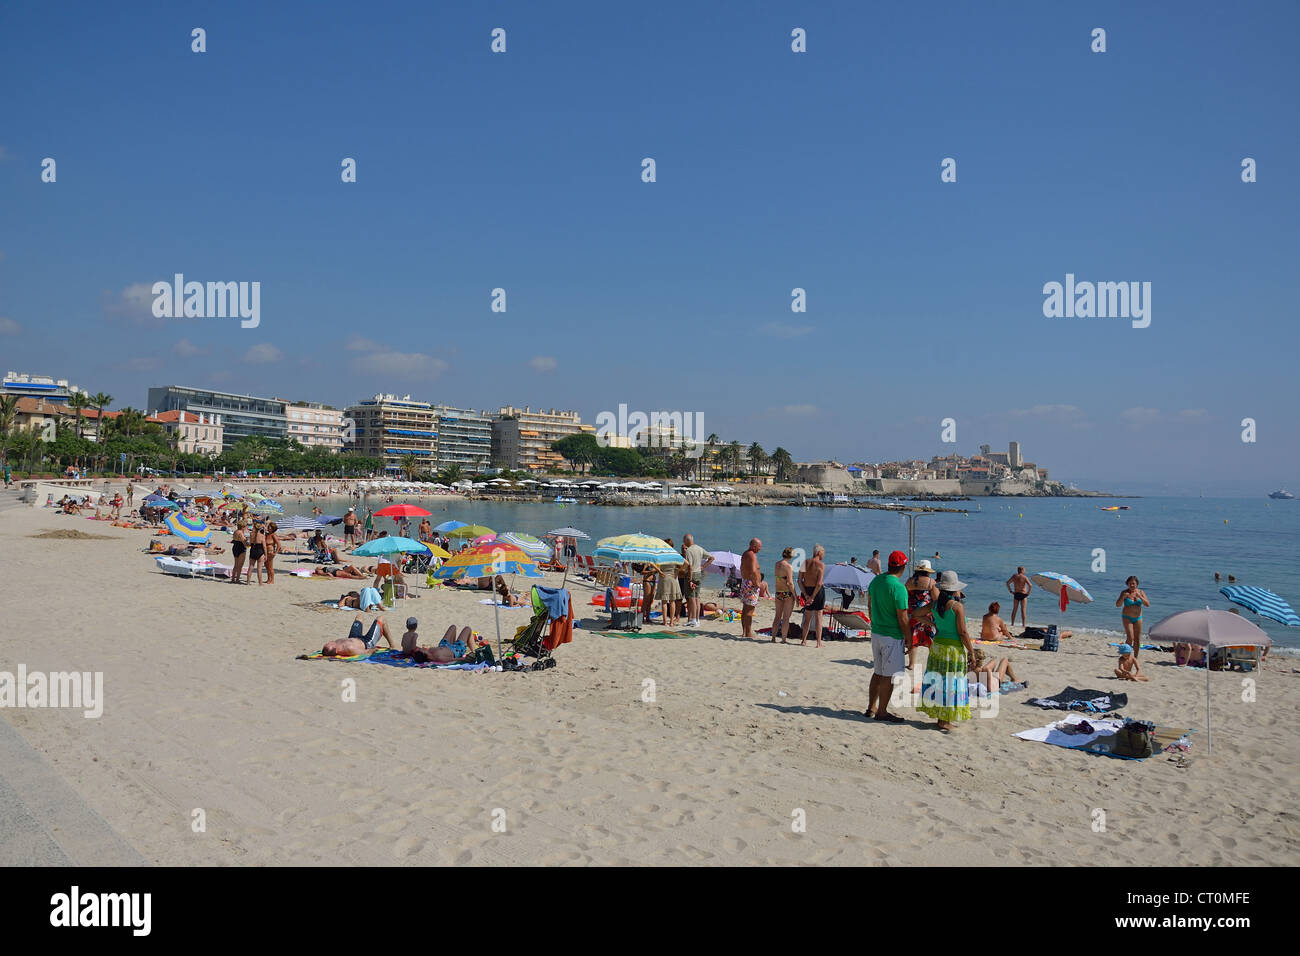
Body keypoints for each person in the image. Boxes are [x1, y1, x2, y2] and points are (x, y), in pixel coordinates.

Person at [917, 569, 975, 732]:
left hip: (938, 646)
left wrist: (933, 624)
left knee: (938, 682)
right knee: (951, 683)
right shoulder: (957, 607)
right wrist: (971, 651)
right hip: (953, 649)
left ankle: (941, 718)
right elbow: (963, 632)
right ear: (955, 589)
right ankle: (944, 720)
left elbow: (916, 613)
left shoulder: (935, 604)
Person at [866, 550, 911, 723]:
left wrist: (875, 621)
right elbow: (903, 617)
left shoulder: (876, 580)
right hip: (892, 635)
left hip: (876, 631)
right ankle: (882, 712)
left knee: (878, 672)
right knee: (888, 676)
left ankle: (871, 707)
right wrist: (909, 638)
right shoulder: (899, 588)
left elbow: (870, 605)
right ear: (903, 566)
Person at [906, 560, 939, 694]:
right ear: (927, 571)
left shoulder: (909, 581)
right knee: (930, 639)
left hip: (912, 613)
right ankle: (933, 663)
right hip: (925, 614)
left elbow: (904, 594)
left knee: (913, 639)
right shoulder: (931, 582)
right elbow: (936, 598)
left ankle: (911, 664)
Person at [318, 615, 395, 657]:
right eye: (330, 644)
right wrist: (374, 650)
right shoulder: (349, 649)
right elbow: (366, 652)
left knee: (359, 617)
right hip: (367, 642)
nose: (330, 642)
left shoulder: (336, 644)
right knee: (381, 619)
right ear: (336, 650)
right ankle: (393, 645)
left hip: (354, 637)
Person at [681, 533, 714, 627]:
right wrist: (703, 567)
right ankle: (697, 619)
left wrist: (690, 580)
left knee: (692, 598)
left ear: (687, 540)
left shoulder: (689, 551)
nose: (683, 542)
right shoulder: (699, 548)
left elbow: (690, 567)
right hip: (699, 574)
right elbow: (711, 558)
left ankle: (694, 620)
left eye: (684, 540)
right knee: (697, 598)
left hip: (691, 574)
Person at [797, 544, 826, 647]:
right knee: (818, 617)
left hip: (807, 591)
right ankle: (818, 642)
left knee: (807, 617)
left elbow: (799, 581)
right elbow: (819, 583)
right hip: (817, 592)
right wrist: (813, 597)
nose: (824, 555)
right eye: (823, 553)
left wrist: (806, 595)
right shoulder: (821, 565)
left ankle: (803, 641)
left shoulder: (804, 563)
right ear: (818, 552)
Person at [1116, 576, 1150, 658]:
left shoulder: (1141, 592)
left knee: (1137, 639)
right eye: (1130, 583)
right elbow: (1118, 605)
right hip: (1127, 617)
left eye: (1133, 583)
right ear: (1127, 584)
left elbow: (1147, 604)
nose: (1132, 585)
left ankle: (1135, 657)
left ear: (1137, 584)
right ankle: (1126, 655)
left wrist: (1140, 597)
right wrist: (1123, 597)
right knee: (1130, 637)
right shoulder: (1124, 593)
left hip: (1138, 618)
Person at [771, 547, 797, 643]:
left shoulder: (776, 564)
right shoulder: (788, 566)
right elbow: (790, 583)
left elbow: (779, 578)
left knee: (777, 616)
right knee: (786, 618)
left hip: (778, 592)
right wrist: (795, 596)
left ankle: (773, 638)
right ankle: (783, 639)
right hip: (787, 593)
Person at [739, 538, 763, 638]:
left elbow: (742, 568)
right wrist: (756, 583)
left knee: (745, 609)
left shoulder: (745, 554)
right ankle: (748, 633)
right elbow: (753, 570)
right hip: (751, 584)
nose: (760, 549)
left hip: (746, 583)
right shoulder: (752, 555)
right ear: (753, 546)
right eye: (759, 547)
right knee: (749, 610)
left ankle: (744, 632)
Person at [656, 554, 683, 628]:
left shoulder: (661, 556)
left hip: (663, 577)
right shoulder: (674, 556)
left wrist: (659, 571)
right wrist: (678, 571)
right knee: (672, 601)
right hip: (672, 577)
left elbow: (652, 562)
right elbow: (686, 563)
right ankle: (671, 622)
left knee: (664, 601)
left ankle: (664, 621)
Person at [246, 520, 265, 585]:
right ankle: (260, 583)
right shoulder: (262, 536)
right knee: (259, 569)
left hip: (253, 550)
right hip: (260, 551)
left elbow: (249, 542)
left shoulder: (251, 534)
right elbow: (264, 546)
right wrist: (266, 555)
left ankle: (248, 582)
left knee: (251, 567)